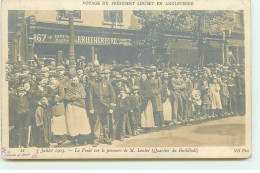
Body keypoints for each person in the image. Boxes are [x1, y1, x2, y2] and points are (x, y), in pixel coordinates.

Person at [88, 69, 116, 147]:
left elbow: (112, 95)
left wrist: (112, 107)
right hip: (96, 106)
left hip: (105, 106)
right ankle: (96, 140)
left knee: (105, 124)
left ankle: (106, 138)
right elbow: (90, 96)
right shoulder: (92, 83)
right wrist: (91, 108)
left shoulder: (108, 83)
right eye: (98, 74)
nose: (100, 75)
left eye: (102, 74)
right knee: (96, 123)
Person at [64, 76, 91, 145]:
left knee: (81, 123)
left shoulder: (81, 87)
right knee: (72, 123)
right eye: (73, 80)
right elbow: (66, 96)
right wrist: (75, 97)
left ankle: (81, 139)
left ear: (78, 81)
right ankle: (74, 138)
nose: (74, 81)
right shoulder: (69, 87)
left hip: (80, 107)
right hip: (71, 107)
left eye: (76, 80)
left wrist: (74, 97)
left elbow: (83, 96)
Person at [48, 73, 67, 145]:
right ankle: (54, 137)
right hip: (52, 106)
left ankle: (61, 138)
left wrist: (55, 99)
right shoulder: (49, 86)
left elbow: (62, 95)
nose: (51, 80)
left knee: (60, 121)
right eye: (50, 79)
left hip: (58, 105)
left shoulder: (60, 85)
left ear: (56, 79)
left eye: (53, 79)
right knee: (54, 122)